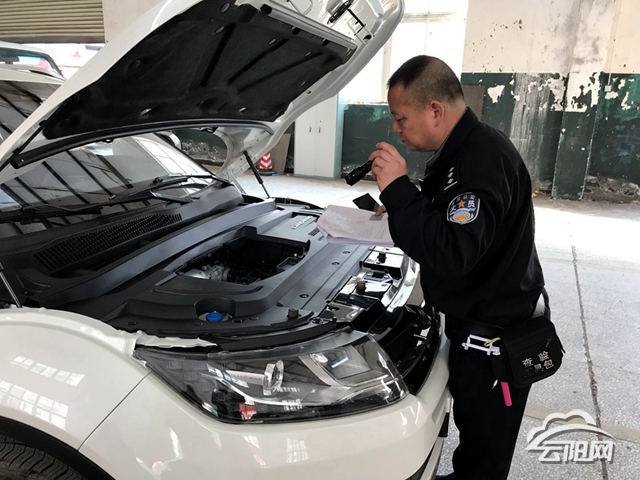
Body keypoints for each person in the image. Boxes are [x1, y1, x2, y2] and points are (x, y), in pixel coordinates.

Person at [368, 55, 547, 480]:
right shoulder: (466, 148)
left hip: (495, 341)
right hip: (482, 321)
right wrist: (405, 205)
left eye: (400, 117)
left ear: (435, 110)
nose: (395, 128)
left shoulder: (479, 160)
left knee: (485, 453)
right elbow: (450, 215)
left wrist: (398, 189)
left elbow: (453, 252)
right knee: (474, 437)